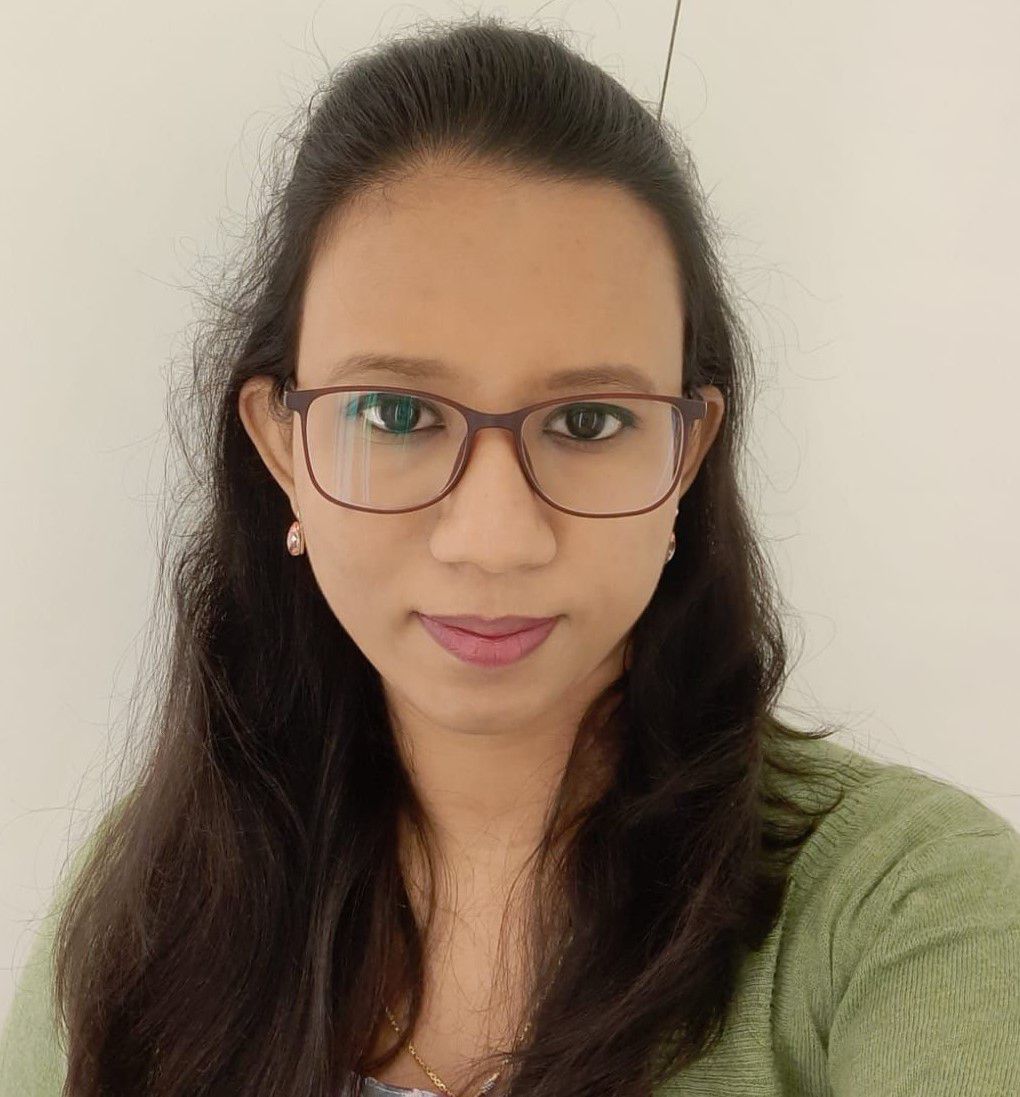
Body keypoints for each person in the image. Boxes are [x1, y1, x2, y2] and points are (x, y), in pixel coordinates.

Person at [2, 14, 1018, 1097]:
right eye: (396, 413)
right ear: (282, 446)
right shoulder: (160, 896)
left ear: (686, 456)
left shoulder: (906, 911)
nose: (493, 540)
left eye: (588, 421)